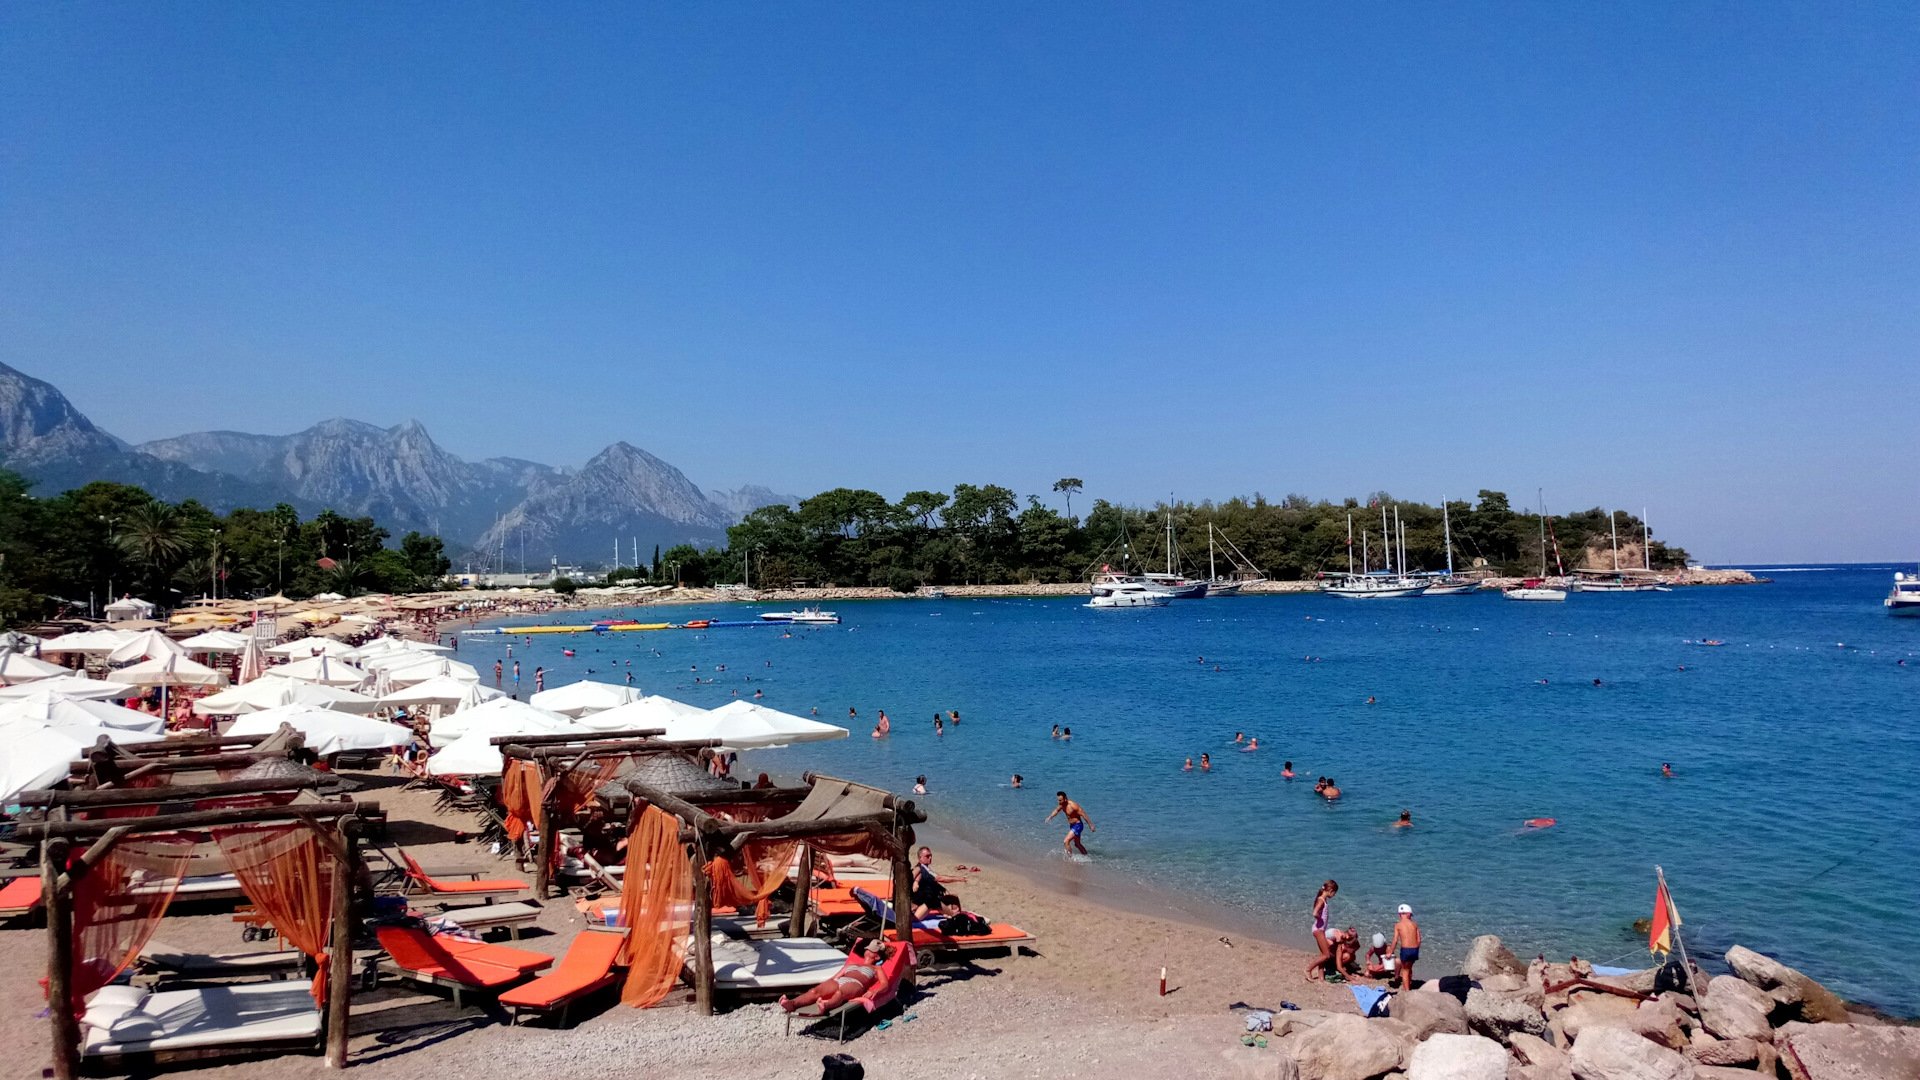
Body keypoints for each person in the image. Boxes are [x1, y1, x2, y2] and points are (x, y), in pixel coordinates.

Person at [778, 937, 895, 1014]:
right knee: (814, 991)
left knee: (840, 993)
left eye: (872, 950)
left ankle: (826, 1005)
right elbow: (835, 977)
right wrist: (823, 987)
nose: (868, 950)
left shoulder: (876, 968)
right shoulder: (851, 963)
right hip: (840, 980)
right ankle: (792, 1004)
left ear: (877, 957)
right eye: (868, 948)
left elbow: (885, 984)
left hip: (856, 984)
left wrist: (875, 991)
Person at [1303, 880, 1338, 980]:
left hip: (1320, 929)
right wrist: (1319, 919)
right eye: (1334, 893)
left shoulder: (1323, 899)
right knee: (1326, 955)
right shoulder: (1321, 900)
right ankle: (1308, 970)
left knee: (1322, 954)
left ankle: (1321, 977)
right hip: (1318, 929)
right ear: (1330, 891)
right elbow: (1315, 913)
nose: (1334, 895)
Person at [1390, 904, 1420, 988]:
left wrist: (1390, 952)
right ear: (1408, 914)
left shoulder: (1398, 925)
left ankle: (1407, 990)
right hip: (1415, 949)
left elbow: (1395, 940)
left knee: (1405, 970)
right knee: (1409, 967)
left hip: (1406, 950)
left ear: (1400, 914)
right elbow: (1419, 940)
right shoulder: (1414, 924)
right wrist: (1416, 948)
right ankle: (1409, 983)